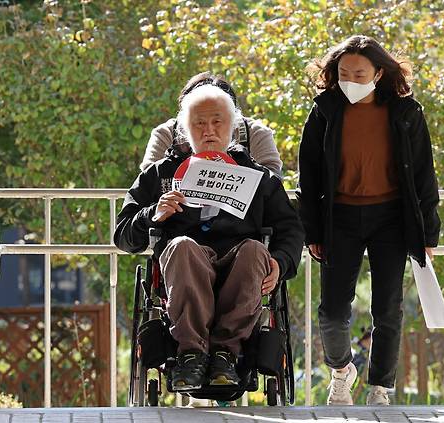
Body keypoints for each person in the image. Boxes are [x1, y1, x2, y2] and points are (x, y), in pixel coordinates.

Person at [115, 84, 304, 391]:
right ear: (185, 131)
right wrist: (153, 213)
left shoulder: (258, 178)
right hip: (185, 265)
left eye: (218, 122)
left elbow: (291, 230)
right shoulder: (162, 174)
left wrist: (280, 263)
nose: (209, 131)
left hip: (240, 263)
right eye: (199, 124)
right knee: (182, 246)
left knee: (256, 250)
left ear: (232, 128)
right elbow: (123, 235)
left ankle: (224, 355)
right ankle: (191, 353)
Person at [296, 35, 441, 406]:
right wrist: (311, 229)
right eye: (343, 73)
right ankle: (342, 371)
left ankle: (381, 388)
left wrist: (428, 233)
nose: (351, 80)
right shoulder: (324, 111)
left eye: (359, 73)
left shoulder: (406, 113)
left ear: (378, 73)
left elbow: (424, 176)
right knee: (331, 311)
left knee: (387, 308)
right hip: (338, 217)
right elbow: (307, 176)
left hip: (391, 218)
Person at [140, 71, 283, 177]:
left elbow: (273, 181)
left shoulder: (255, 134)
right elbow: (149, 181)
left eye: (217, 120)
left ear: (234, 117)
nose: (209, 130)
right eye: (200, 121)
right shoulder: (166, 134)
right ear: (185, 119)